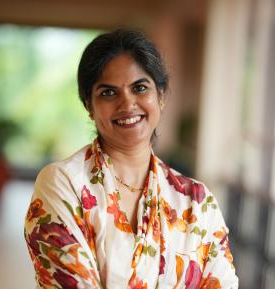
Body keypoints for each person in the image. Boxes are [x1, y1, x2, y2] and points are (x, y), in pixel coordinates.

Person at [24, 29, 239, 289]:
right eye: (108, 93)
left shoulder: (197, 202)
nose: (127, 103)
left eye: (140, 88)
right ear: (89, 106)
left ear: (161, 96)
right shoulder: (64, 184)